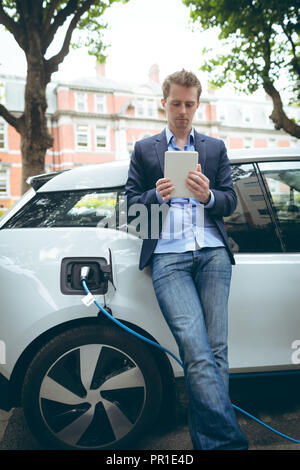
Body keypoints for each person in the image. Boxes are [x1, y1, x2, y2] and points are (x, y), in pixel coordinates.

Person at [125, 69, 248, 450]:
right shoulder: (145, 149)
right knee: (196, 352)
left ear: (197, 105)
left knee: (216, 353)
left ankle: (208, 444)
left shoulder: (214, 148)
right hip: (168, 258)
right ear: (164, 103)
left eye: (189, 104)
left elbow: (230, 201)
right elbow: (129, 209)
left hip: (212, 253)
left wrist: (209, 195)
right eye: (175, 103)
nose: (182, 111)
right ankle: (228, 443)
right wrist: (154, 197)